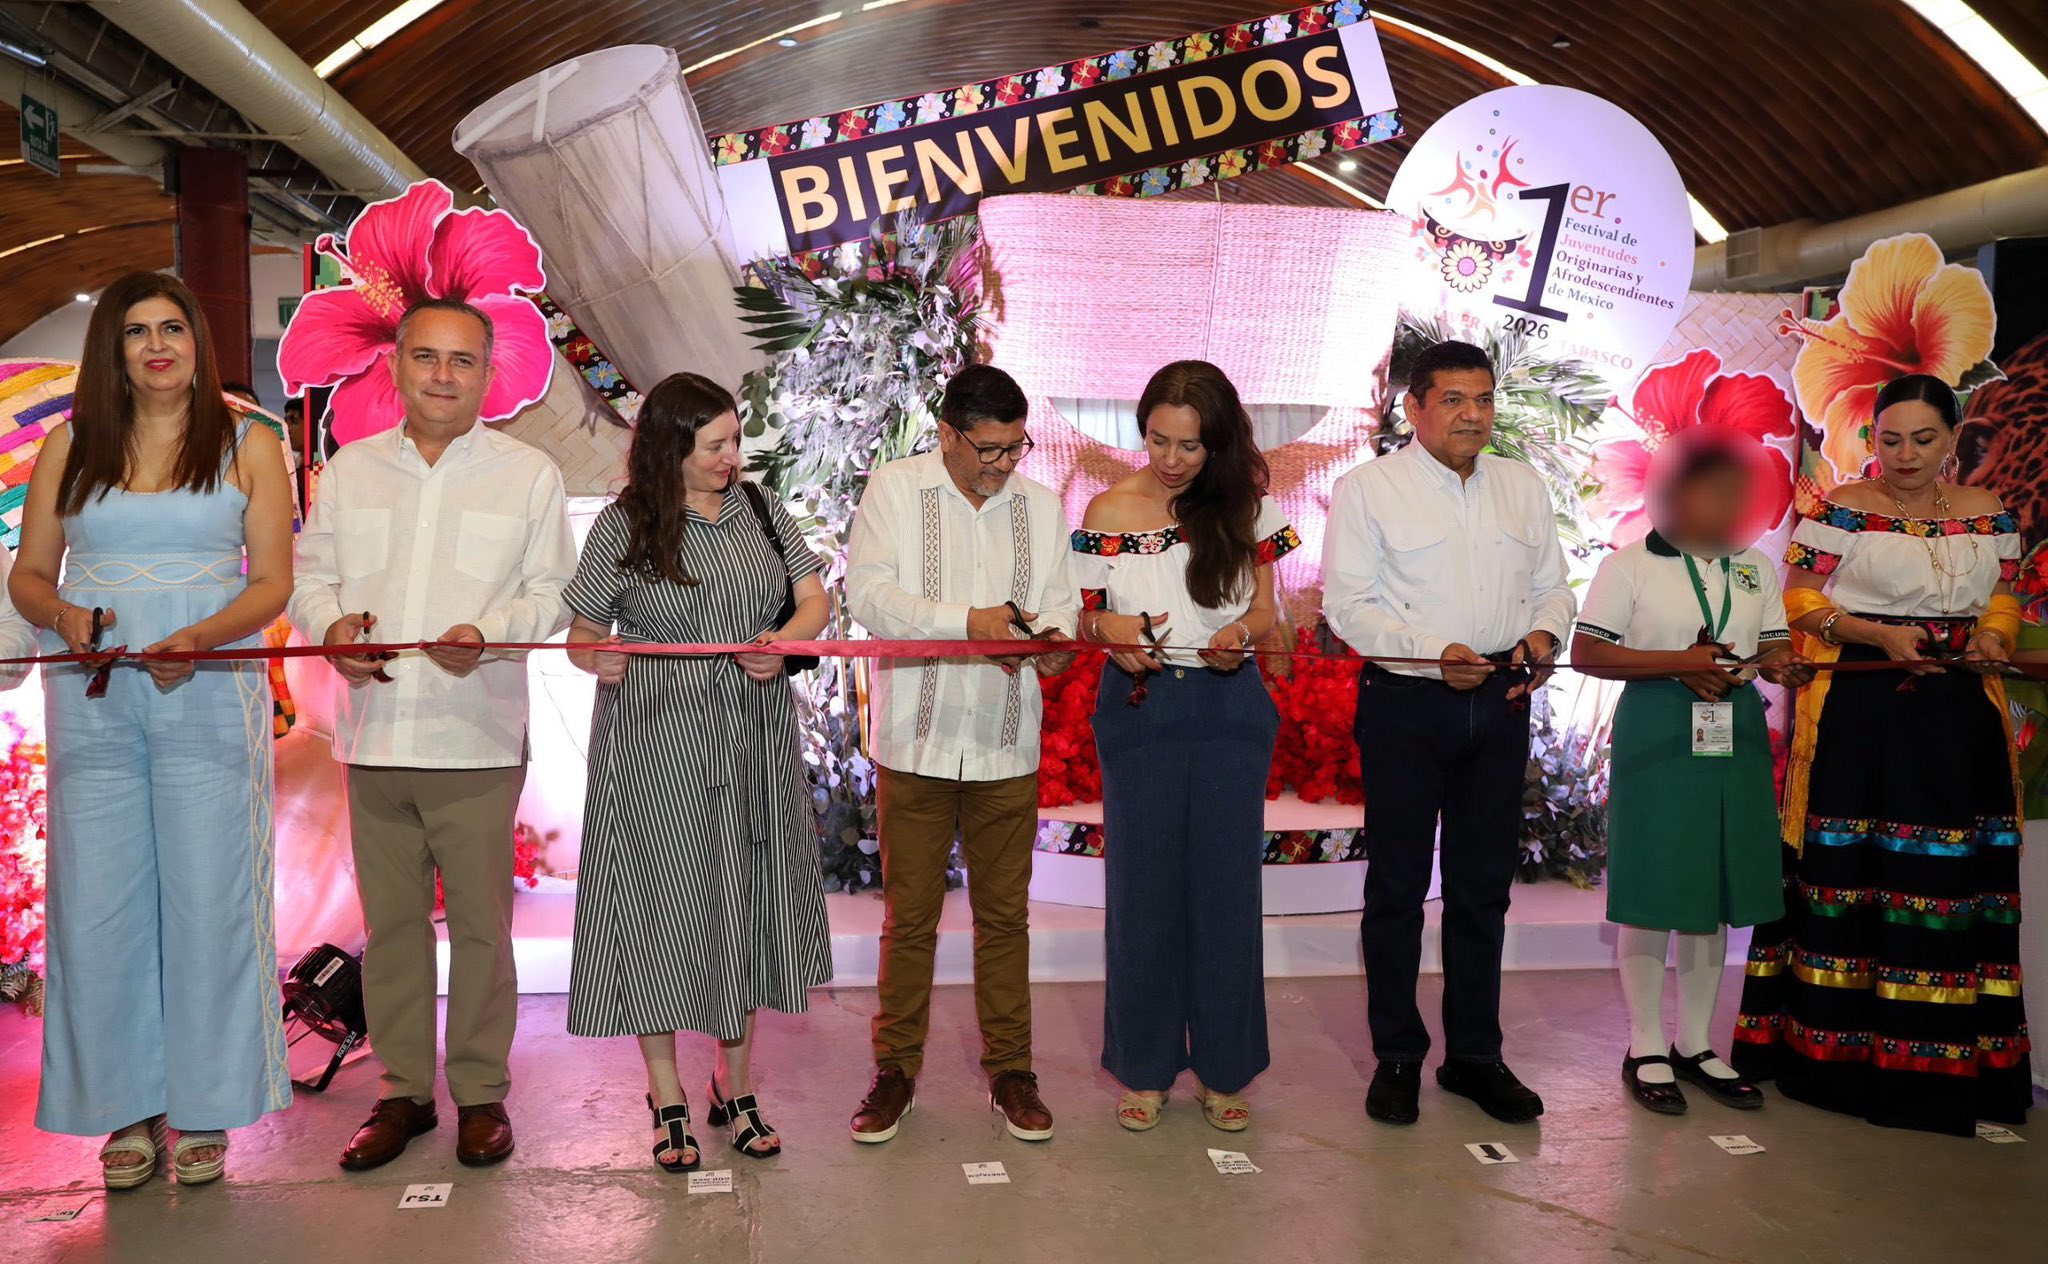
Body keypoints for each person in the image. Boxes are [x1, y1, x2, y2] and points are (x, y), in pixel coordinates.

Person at [9, 271, 295, 1187]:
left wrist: (201, 639)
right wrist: (64, 615)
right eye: (137, 331)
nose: (157, 346)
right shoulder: (70, 443)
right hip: (92, 690)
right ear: (114, 349)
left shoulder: (251, 440)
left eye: (172, 327)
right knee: (98, 901)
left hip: (208, 681)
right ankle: (125, 1107)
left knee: (212, 893)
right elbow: (30, 575)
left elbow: (273, 582)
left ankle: (208, 1103)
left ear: (197, 341)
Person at [289, 297, 575, 1169]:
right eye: (426, 357)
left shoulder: (528, 474)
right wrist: (333, 629)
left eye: (462, 360)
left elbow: (553, 593)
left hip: (474, 737)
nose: (443, 375)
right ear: (396, 365)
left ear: (488, 374)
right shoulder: (350, 471)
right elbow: (310, 580)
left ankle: (481, 1094)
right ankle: (404, 1093)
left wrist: (490, 634)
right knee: (393, 931)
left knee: (483, 931)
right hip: (375, 737)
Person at [1732, 374, 2029, 1135]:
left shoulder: (1989, 510)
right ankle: (1833, 1067)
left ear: (1954, 439)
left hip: (1960, 710)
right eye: (1890, 439)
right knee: (1852, 875)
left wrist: (1995, 635)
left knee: (1948, 878)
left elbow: (2007, 591)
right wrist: (1875, 634)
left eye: (1923, 439)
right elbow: (1799, 598)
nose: (1905, 454)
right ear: (1873, 439)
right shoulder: (1841, 507)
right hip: (1864, 708)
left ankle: (1942, 1071)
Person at [563, 372, 833, 1170]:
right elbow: (583, 635)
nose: (730, 458)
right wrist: (598, 659)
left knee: (741, 903)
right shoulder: (625, 523)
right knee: (656, 909)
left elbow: (814, 600)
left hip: (750, 736)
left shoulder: (760, 508)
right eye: (714, 445)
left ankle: (734, 1083)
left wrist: (785, 639)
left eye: (734, 440)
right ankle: (665, 1093)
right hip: (653, 744)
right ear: (670, 447)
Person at [1321, 338, 1575, 1126]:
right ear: (1415, 407)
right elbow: (1349, 605)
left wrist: (1543, 637)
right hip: (1406, 701)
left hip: (1500, 699)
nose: (1473, 415)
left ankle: (1474, 1056)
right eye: (1455, 400)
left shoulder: (1521, 486)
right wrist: (1435, 656)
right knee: (1397, 888)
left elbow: (1554, 587)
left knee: (1482, 889)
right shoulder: (1369, 489)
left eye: (1484, 399)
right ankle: (1397, 1056)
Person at [844, 363, 1077, 1144]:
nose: (1004, 464)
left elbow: (1061, 607)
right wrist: (967, 622)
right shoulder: (895, 491)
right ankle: (894, 1073)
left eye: (1016, 447)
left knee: (1005, 920)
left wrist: (1053, 647)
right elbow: (869, 598)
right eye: (989, 449)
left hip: (1006, 743)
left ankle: (1012, 1072)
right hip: (916, 740)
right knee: (910, 920)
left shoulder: (1040, 507)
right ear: (947, 435)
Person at [1072, 361, 1294, 1132]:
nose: (1170, 458)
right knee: (1143, 890)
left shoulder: (1250, 508)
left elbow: (1265, 612)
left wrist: (1239, 634)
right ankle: (1145, 1067)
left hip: (1231, 707)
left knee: (1227, 891)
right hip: (1140, 709)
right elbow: (1086, 613)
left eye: (1190, 446)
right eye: (1158, 439)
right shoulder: (1106, 509)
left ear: (1219, 443)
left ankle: (1226, 1070)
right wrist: (1109, 628)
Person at [1572, 428, 1812, 1115]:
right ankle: (1646, 1044)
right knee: (1656, 885)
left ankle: (1696, 1043)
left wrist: (1780, 666)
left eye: (1739, 494)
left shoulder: (1753, 566)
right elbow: (1587, 652)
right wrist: (1680, 664)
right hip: (1659, 728)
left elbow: (1770, 643)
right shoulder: (1631, 565)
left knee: (1717, 887)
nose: (1731, 506)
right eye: (1716, 492)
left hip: (1733, 731)